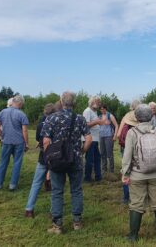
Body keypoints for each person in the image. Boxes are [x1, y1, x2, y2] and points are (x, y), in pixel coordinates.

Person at [42, 91, 92, 234]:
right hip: (75, 160)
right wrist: (81, 152)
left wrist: (49, 158)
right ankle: (77, 222)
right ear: (74, 103)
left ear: (61, 101)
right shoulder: (80, 119)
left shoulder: (51, 118)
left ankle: (57, 225)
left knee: (57, 191)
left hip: (57, 161)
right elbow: (88, 139)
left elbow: (46, 141)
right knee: (76, 190)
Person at [122, 104, 156, 241]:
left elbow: (127, 156)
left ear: (136, 117)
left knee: (136, 204)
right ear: (151, 116)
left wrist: (125, 174)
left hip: (137, 175)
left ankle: (133, 236)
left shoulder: (132, 133)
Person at [24, 103, 56, 218]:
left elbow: (38, 139)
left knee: (36, 183)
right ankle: (54, 211)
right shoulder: (56, 123)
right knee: (55, 185)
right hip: (54, 156)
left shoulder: (40, 124)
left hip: (43, 155)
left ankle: (29, 209)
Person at [0, 95, 29, 191]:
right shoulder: (22, 114)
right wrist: (26, 144)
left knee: (3, 162)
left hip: (6, 141)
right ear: (20, 103)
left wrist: (2, 137)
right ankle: (12, 186)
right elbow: (25, 131)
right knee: (17, 163)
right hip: (19, 142)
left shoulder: (2, 112)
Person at [117, 100, 141, 205]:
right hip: (139, 148)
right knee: (139, 171)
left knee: (126, 170)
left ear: (131, 106)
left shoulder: (126, 116)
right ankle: (138, 196)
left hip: (126, 148)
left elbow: (118, 134)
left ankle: (126, 198)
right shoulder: (142, 116)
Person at [82, 96, 103, 182]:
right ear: (92, 102)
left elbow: (94, 123)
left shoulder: (94, 112)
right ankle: (87, 178)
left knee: (97, 158)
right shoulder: (87, 111)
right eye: (97, 102)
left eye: (99, 102)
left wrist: (100, 123)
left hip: (95, 139)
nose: (99, 104)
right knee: (90, 159)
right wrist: (97, 122)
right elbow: (85, 125)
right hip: (89, 139)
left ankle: (98, 177)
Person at [99, 104, 119, 173]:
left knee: (109, 153)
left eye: (103, 109)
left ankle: (111, 170)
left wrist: (115, 135)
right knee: (102, 153)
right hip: (101, 136)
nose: (102, 110)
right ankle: (104, 169)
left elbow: (116, 125)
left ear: (105, 109)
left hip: (109, 136)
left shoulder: (110, 115)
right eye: (101, 109)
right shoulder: (100, 116)